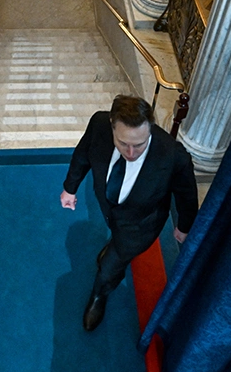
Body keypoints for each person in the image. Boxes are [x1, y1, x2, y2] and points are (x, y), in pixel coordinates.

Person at [60, 95, 198, 331]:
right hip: (109, 209)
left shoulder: (174, 156)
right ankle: (112, 246)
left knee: (110, 266)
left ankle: (99, 294)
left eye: (140, 144)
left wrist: (184, 226)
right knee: (114, 239)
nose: (131, 153)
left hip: (140, 226)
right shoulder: (99, 124)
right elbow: (82, 153)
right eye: (123, 143)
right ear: (112, 125)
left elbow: (187, 195)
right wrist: (69, 188)